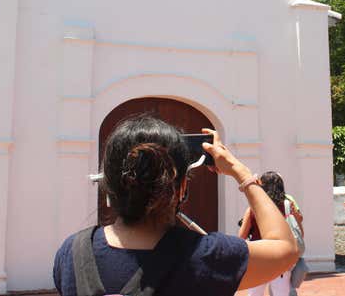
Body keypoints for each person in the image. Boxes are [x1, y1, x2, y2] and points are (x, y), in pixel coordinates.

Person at [52, 115, 299, 296]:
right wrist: (241, 172)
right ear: (180, 188)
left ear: (109, 185)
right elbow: (285, 249)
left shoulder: (71, 252)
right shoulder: (205, 255)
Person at [238, 171, 304, 296]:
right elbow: (300, 232)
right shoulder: (287, 207)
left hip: (258, 260)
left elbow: (241, 236)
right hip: (280, 260)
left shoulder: (253, 208)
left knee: (254, 294)